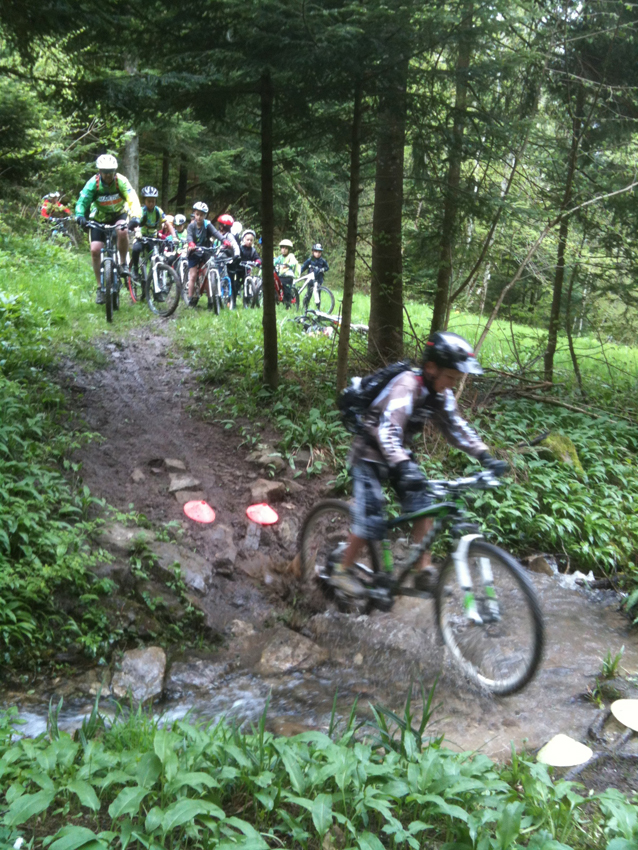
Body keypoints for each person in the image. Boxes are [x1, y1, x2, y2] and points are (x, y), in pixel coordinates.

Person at [331, 331, 508, 596]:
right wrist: (404, 466)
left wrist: (485, 456)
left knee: (423, 505)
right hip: (369, 453)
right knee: (371, 515)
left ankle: (421, 571)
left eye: (457, 379)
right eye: (450, 377)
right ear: (431, 368)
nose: (452, 384)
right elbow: (388, 431)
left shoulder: (440, 394)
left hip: (398, 455)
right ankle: (342, 570)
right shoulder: (407, 385)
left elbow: (455, 427)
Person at [75, 154, 141, 304]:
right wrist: (80, 215)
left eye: (111, 171)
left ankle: (123, 264)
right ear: (99, 171)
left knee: (123, 231)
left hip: (118, 214)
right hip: (99, 217)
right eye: (105, 172)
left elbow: (132, 198)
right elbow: (83, 200)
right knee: (95, 250)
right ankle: (100, 288)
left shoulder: (121, 181)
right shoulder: (93, 183)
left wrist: (136, 216)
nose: (108, 175)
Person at [186, 202, 233, 308]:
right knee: (193, 275)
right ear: (194, 214)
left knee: (207, 274)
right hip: (194, 252)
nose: (199, 217)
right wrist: (191, 243)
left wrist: (224, 240)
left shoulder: (207, 224)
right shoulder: (191, 226)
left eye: (201, 215)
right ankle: (190, 298)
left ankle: (210, 299)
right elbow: (189, 236)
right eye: (197, 214)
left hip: (205, 251)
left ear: (205, 216)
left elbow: (216, 233)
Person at [130, 187, 176, 286]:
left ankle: (157, 281)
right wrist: (137, 231)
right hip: (141, 236)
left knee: (157, 258)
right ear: (144, 201)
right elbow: (136, 222)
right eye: (149, 201)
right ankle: (135, 268)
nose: (151, 203)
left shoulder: (158, 211)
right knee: (136, 249)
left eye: (153, 201)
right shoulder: (141, 211)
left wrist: (174, 236)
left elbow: (168, 224)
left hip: (153, 238)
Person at [299, 243, 329, 310]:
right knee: (308, 294)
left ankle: (318, 309)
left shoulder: (322, 260)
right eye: (316, 251)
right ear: (313, 252)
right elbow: (303, 267)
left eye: (319, 252)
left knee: (318, 294)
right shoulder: (311, 259)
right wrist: (299, 273)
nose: (317, 253)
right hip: (310, 280)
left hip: (319, 280)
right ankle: (305, 308)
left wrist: (322, 269)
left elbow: (327, 267)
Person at [235, 229, 262, 303]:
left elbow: (257, 258)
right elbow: (236, 256)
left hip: (247, 270)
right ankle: (232, 300)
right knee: (236, 284)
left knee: (247, 284)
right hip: (238, 269)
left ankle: (247, 299)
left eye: (251, 240)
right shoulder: (240, 248)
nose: (249, 242)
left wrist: (257, 262)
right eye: (248, 240)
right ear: (243, 239)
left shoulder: (253, 250)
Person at [274, 239, 299, 307]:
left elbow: (293, 262)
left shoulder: (291, 256)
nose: (284, 250)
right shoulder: (280, 257)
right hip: (281, 275)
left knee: (286, 290)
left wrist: (289, 265)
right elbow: (275, 262)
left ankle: (288, 304)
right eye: (282, 248)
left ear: (289, 249)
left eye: (286, 248)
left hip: (288, 276)